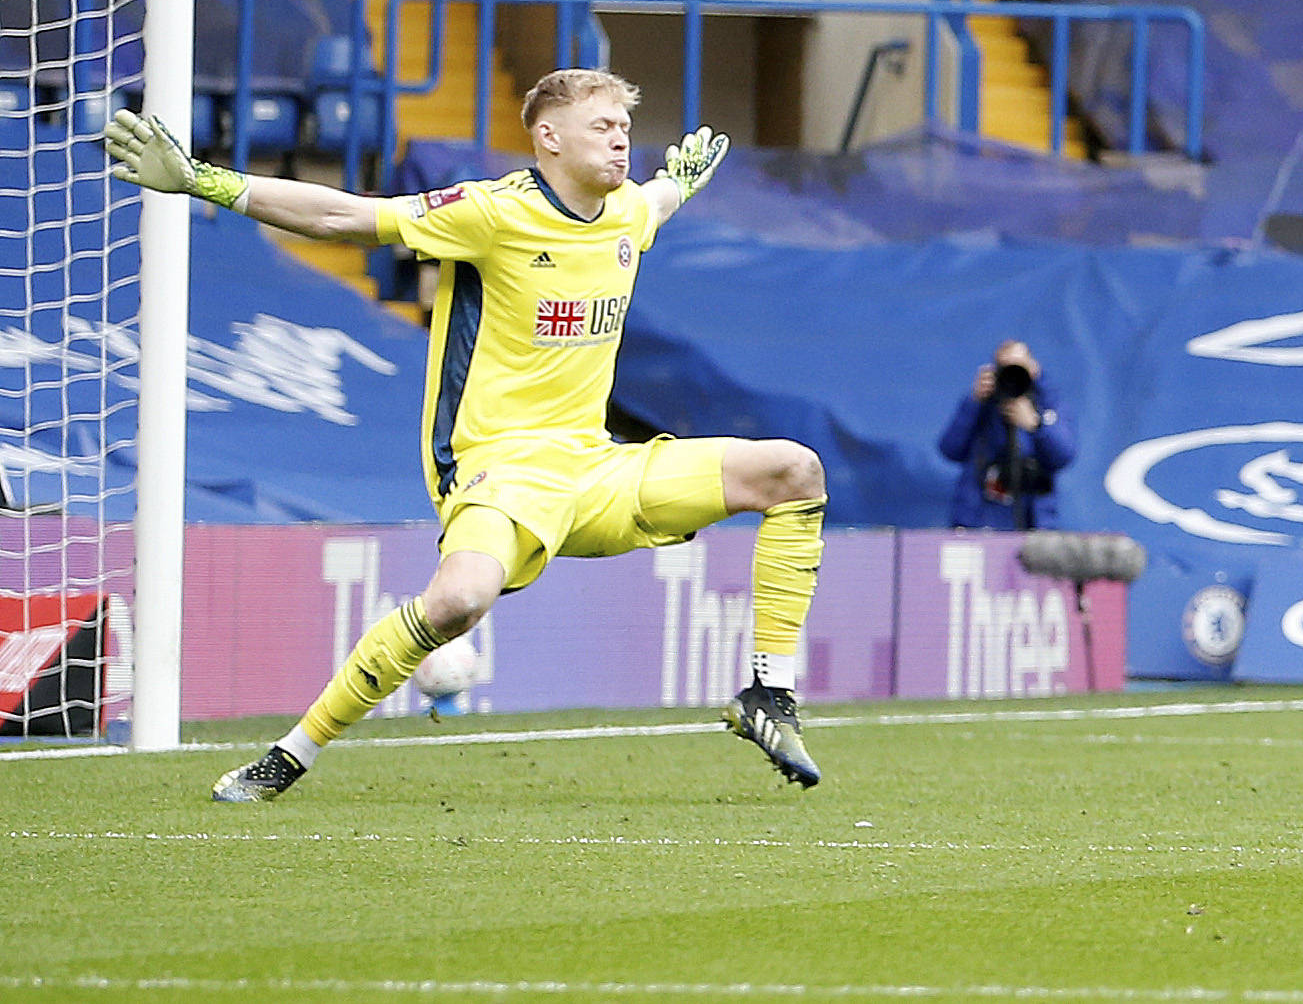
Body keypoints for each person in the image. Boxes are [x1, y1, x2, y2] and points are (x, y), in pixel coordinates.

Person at [104, 71, 833, 802]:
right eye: (602, 125)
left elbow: (657, 201)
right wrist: (203, 180)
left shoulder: (626, 211)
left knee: (794, 470)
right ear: (548, 136)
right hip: (501, 468)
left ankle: (769, 694)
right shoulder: (490, 211)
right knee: (458, 602)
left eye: (623, 126)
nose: (620, 138)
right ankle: (289, 754)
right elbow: (342, 217)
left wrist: (679, 182)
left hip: (596, 468)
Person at [942, 341, 1076, 531]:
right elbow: (950, 449)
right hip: (980, 523)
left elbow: (1064, 456)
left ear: (1033, 367)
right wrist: (974, 403)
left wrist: (1036, 425)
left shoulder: (1049, 403)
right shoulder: (981, 405)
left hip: (1035, 524)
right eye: (1006, 367)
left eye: (1018, 366)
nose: (1012, 374)